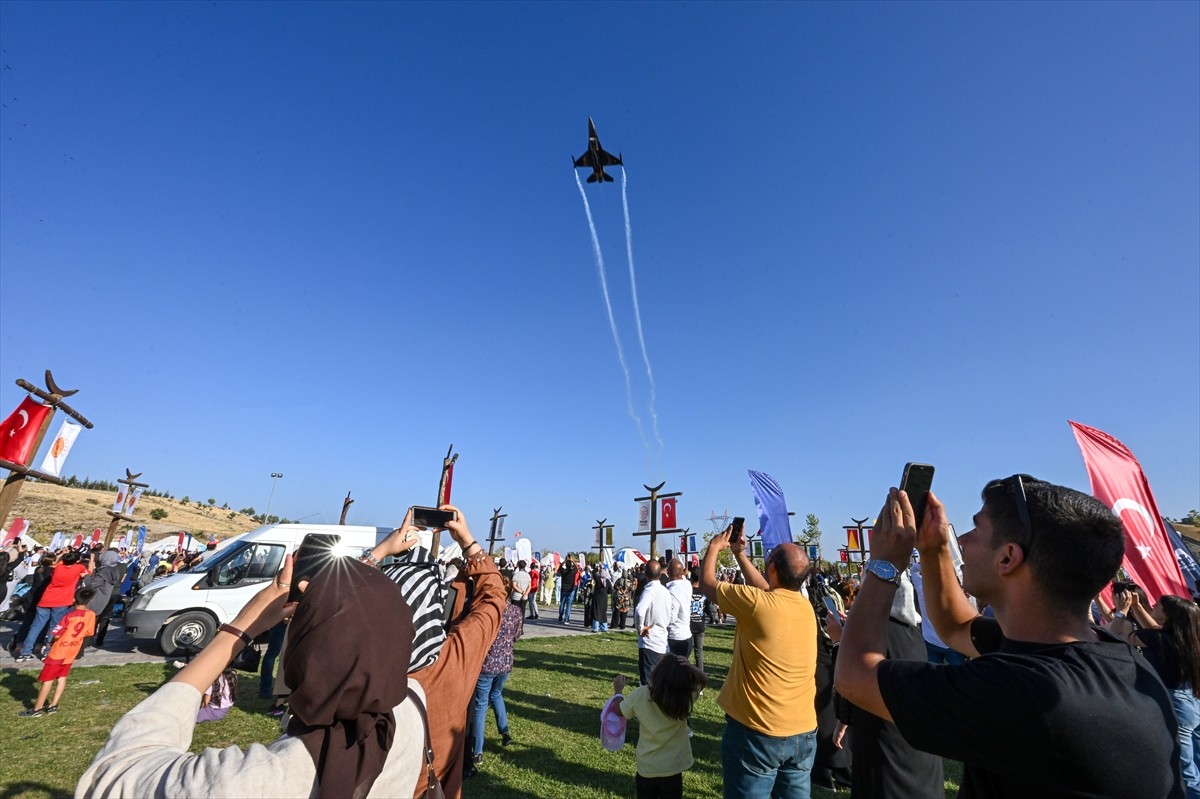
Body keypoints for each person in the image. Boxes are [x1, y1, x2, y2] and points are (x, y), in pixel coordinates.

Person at [76, 504, 505, 799]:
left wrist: (238, 630)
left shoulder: (264, 781)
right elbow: (490, 602)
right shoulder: (418, 704)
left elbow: (118, 772)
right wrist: (467, 539)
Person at [835, 478, 1183, 798]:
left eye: (975, 529)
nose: (962, 540)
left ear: (1008, 557)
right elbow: (956, 626)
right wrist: (933, 548)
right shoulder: (1115, 658)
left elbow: (854, 676)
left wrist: (883, 565)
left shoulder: (1025, 692)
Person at [700, 529, 818, 799]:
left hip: (757, 732)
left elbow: (707, 583)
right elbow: (767, 589)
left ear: (772, 567)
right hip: (803, 731)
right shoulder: (804, 607)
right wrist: (740, 554)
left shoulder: (757, 604)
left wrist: (714, 548)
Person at [1110, 591, 1200, 796]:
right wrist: (1137, 607)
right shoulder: (1189, 636)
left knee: (1186, 772)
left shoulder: (1157, 638)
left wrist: (1122, 612)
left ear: (1168, 616)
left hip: (1175, 705)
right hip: (1192, 702)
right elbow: (1154, 628)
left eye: (1157, 605)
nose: (1153, 606)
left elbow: (1115, 637)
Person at [612, 655, 707, 799]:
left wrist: (618, 691)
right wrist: (690, 667)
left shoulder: (641, 694)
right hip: (674, 767)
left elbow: (619, 710)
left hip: (648, 767)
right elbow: (703, 680)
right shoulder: (685, 696)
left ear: (657, 673)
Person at [468, 574, 524, 774]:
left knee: (481, 705)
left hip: (487, 663)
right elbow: (517, 635)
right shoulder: (516, 611)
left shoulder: (488, 611)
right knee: (497, 694)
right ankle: (505, 731)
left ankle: (478, 750)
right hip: (506, 662)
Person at [19, 587, 96, 717]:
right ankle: (53, 705)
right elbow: (89, 632)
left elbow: (57, 634)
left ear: (73, 599)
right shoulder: (91, 615)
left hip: (59, 651)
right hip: (73, 649)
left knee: (48, 680)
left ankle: (37, 709)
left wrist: (51, 642)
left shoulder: (69, 616)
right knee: (62, 677)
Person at [18, 548, 90, 662]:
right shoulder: (77, 568)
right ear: (76, 561)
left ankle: (25, 652)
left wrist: (64, 554)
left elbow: (59, 561)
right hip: (61, 602)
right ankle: (48, 652)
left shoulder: (58, 568)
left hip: (45, 600)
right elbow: (88, 571)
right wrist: (91, 561)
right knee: (54, 628)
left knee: (36, 627)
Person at [635, 560, 674, 686]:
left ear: (646, 574)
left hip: (650, 640)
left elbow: (640, 611)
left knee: (647, 684)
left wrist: (640, 627)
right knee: (660, 682)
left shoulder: (649, 591)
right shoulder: (665, 591)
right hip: (663, 640)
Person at [665, 559, 692, 658]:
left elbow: (671, 618)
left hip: (675, 638)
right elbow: (683, 577)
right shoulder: (687, 585)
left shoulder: (672, 592)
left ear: (668, 573)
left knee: (673, 671)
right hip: (687, 634)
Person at [558, 555, 580, 623]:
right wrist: (572, 561)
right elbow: (577, 568)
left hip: (564, 589)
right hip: (571, 589)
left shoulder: (563, 571)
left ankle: (560, 617)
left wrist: (564, 561)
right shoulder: (572, 571)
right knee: (569, 605)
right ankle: (566, 618)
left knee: (562, 604)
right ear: (571, 565)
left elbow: (559, 568)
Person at [591, 565, 612, 632]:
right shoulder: (607, 581)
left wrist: (596, 569)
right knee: (603, 613)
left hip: (597, 598)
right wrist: (606, 592)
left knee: (596, 612)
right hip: (604, 599)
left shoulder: (598, 580)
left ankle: (595, 628)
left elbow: (593, 573)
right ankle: (604, 627)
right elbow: (611, 590)